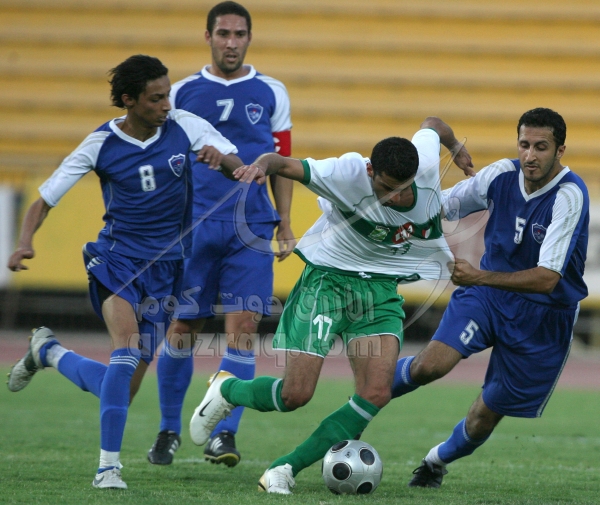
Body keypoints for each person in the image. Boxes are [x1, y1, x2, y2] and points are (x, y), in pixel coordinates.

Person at [187, 116, 475, 494]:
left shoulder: (420, 164)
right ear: (370, 172)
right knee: (295, 395)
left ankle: (284, 468)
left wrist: (454, 146)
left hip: (380, 290)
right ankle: (228, 390)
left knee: (376, 392)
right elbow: (281, 163)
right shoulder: (346, 173)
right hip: (327, 282)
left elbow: (433, 124)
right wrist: (258, 167)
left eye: (403, 189)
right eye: (387, 189)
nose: (397, 198)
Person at [6, 54, 242, 489]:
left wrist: (223, 161)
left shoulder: (185, 125)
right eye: (156, 98)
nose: (166, 104)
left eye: (167, 94)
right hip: (117, 261)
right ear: (129, 101)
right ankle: (107, 469)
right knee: (127, 352)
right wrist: (24, 241)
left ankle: (49, 353)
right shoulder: (100, 145)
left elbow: (236, 166)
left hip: (169, 269)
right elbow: (45, 199)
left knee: (121, 385)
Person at [389, 108, 588, 488]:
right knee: (429, 366)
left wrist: (478, 275)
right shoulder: (500, 174)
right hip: (488, 298)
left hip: (544, 317)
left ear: (560, 150)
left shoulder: (569, 195)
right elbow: (442, 206)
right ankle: (356, 412)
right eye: (524, 144)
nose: (530, 155)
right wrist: (400, 204)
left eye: (541, 147)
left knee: (484, 416)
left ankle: (435, 461)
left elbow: (547, 279)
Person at [144, 1, 296, 468]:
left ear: (249, 38)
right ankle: (169, 429)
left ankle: (223, 433)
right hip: (194, 226)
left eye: (239, 34)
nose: (231, 42)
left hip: (251, 226)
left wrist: (286, 222)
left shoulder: (272, 91)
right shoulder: (183, 91)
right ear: (207, 37)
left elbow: (283, 163)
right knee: (183, 327)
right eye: (224, 34)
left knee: (244, 330)